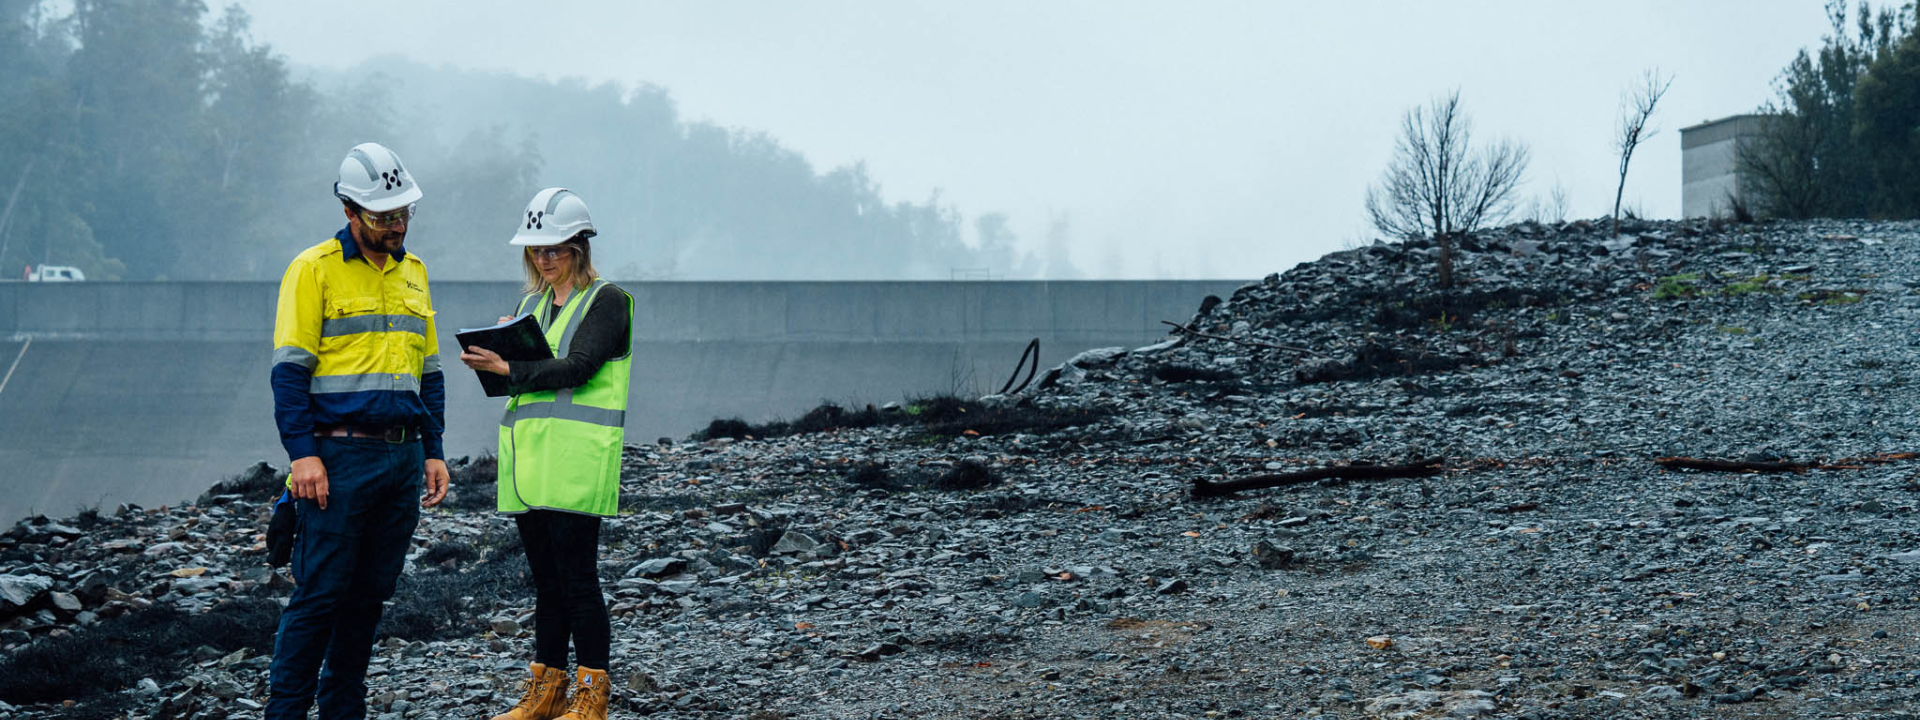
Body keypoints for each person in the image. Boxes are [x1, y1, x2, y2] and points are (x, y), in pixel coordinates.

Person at [267, 142, 450, 719]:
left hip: (401, 462)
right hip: (337, 461)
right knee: (319, 596)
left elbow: (431, 373)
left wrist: (434, 451)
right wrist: (303, 457)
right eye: (383, 216)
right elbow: (289, 375)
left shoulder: (415, 273)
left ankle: (343, 710)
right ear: (350, 210)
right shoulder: (312, 270)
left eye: (403, 214)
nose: (397, 226)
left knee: (370, 597)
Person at [461, 187, 632, 720]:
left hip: (577, 464)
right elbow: (526, 384)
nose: (545, 258)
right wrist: (496, 366)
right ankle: (546, 693)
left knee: (579, 580)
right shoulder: (529, 305)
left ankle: (591, 698)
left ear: (580, 246)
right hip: (529, 463)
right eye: (537, 250)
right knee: (547, 584)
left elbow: (579, 367)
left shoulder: (608, 301)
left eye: (555, 248)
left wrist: (510, 370)